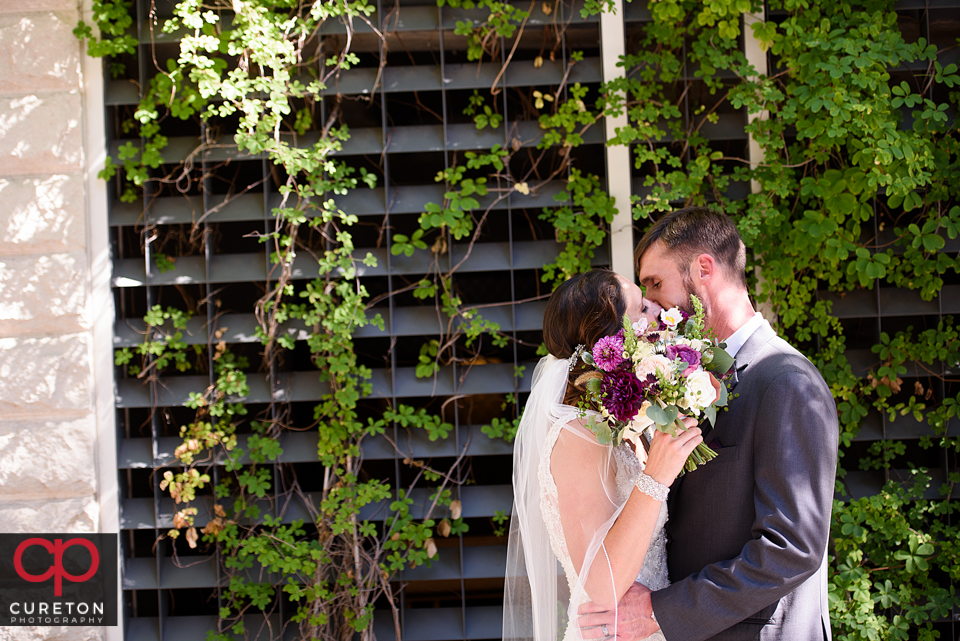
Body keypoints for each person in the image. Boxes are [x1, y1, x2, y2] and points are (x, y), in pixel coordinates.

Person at [577, 207, 839, 640]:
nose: (653, 304)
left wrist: (661, 611)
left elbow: (792, 548)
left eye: (656, 284)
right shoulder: (688, 378)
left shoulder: (786, 382)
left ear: (703, 269)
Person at [503, 268, 704, 641]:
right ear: (609, 344)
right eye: (642, 309)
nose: (657, 312)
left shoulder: (614, 428)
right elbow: (601, 585)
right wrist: (657, 475)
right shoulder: (577, 436)